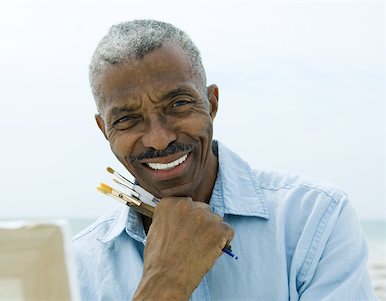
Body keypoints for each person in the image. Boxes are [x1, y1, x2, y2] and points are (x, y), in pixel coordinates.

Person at [73, 19, 376, 300]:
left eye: (178, 104)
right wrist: (164, 283)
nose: (159, 138)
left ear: (212, 103)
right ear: (104, 129)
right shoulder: (79, 264)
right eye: (127, 119)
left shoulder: (315, 217)